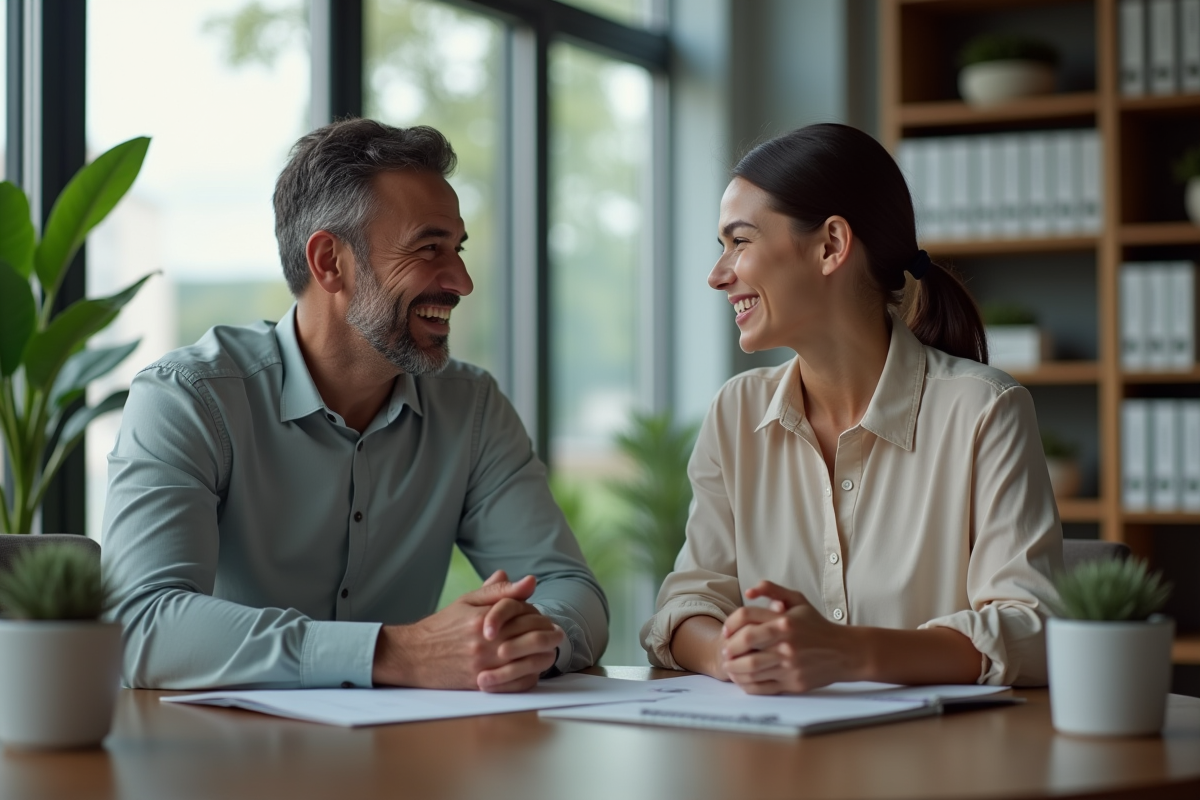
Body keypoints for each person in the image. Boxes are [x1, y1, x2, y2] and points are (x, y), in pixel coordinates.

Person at [102, 119, 607, 692]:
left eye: (458, 249)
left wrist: (522, 639)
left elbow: (572, 589)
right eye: (429, 248)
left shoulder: (472, 409)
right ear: (329, 262)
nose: (462, 281)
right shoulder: (189, 399)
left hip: (403, 761)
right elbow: (138, 623)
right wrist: (395, 652)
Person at [640, 123, 1062, 693]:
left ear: (832, 245)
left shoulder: (986, 411)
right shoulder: (736, 412)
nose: (717, 275)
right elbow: (688, 601)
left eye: (739, 242)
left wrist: (845, 652)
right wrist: (731, 657)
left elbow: (1033, 630)